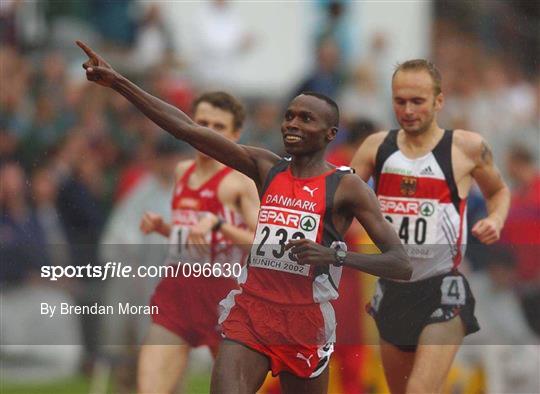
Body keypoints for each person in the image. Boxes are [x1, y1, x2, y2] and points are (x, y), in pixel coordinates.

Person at [76, 40, 411, 394]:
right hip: (252, 311)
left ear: (330, 135)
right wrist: (119, 83)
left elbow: (400, 263)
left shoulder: (347, 188)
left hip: (305, 320)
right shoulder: (265, 167)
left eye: (306, 119)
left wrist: (333, 255)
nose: (292, 124)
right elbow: (186, 129)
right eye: (289, 116)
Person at [350, 59, 511, 394]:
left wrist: (495, 218)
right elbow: (341, 201)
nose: (407, 110)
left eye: (417, 101)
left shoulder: (466, 148)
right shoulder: (376, 147)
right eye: (400, 101)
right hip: (392, 291)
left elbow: (499, 191)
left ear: (439, 101)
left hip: (442, 289)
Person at [137, 92, 260, 393]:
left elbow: (263, 245)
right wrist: (163, 228)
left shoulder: (239, 182)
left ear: (235, 134)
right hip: (176, 296)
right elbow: (191, 237)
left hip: (223, 302)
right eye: (202, 123)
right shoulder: (182, 171)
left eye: (218, 127)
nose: (207, 132)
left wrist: (220, 224)